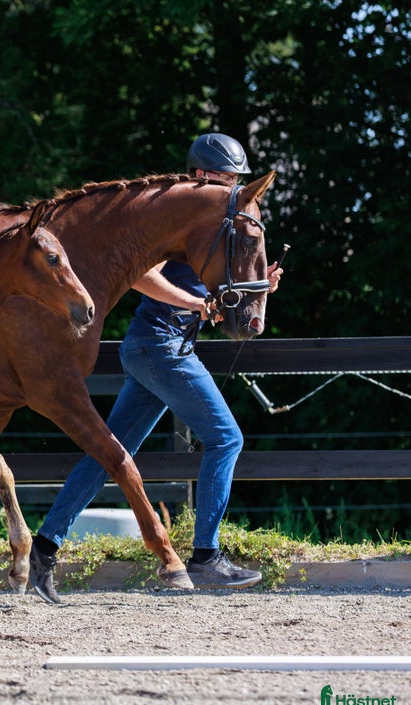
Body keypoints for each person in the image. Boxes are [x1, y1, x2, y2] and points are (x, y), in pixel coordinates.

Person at [29, 133, 284, 603]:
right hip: (161, 347)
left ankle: (42, 549)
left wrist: (257, 284)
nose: (232, 189)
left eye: (235, 181)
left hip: (154, 347)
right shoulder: (178, 217)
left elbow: (224, 298)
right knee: (227, 438)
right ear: (203, 176)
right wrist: (193, 301)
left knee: (111, 452)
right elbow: (142, 275)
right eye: (228, 180)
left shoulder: (216, 224)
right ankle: (206, 556)